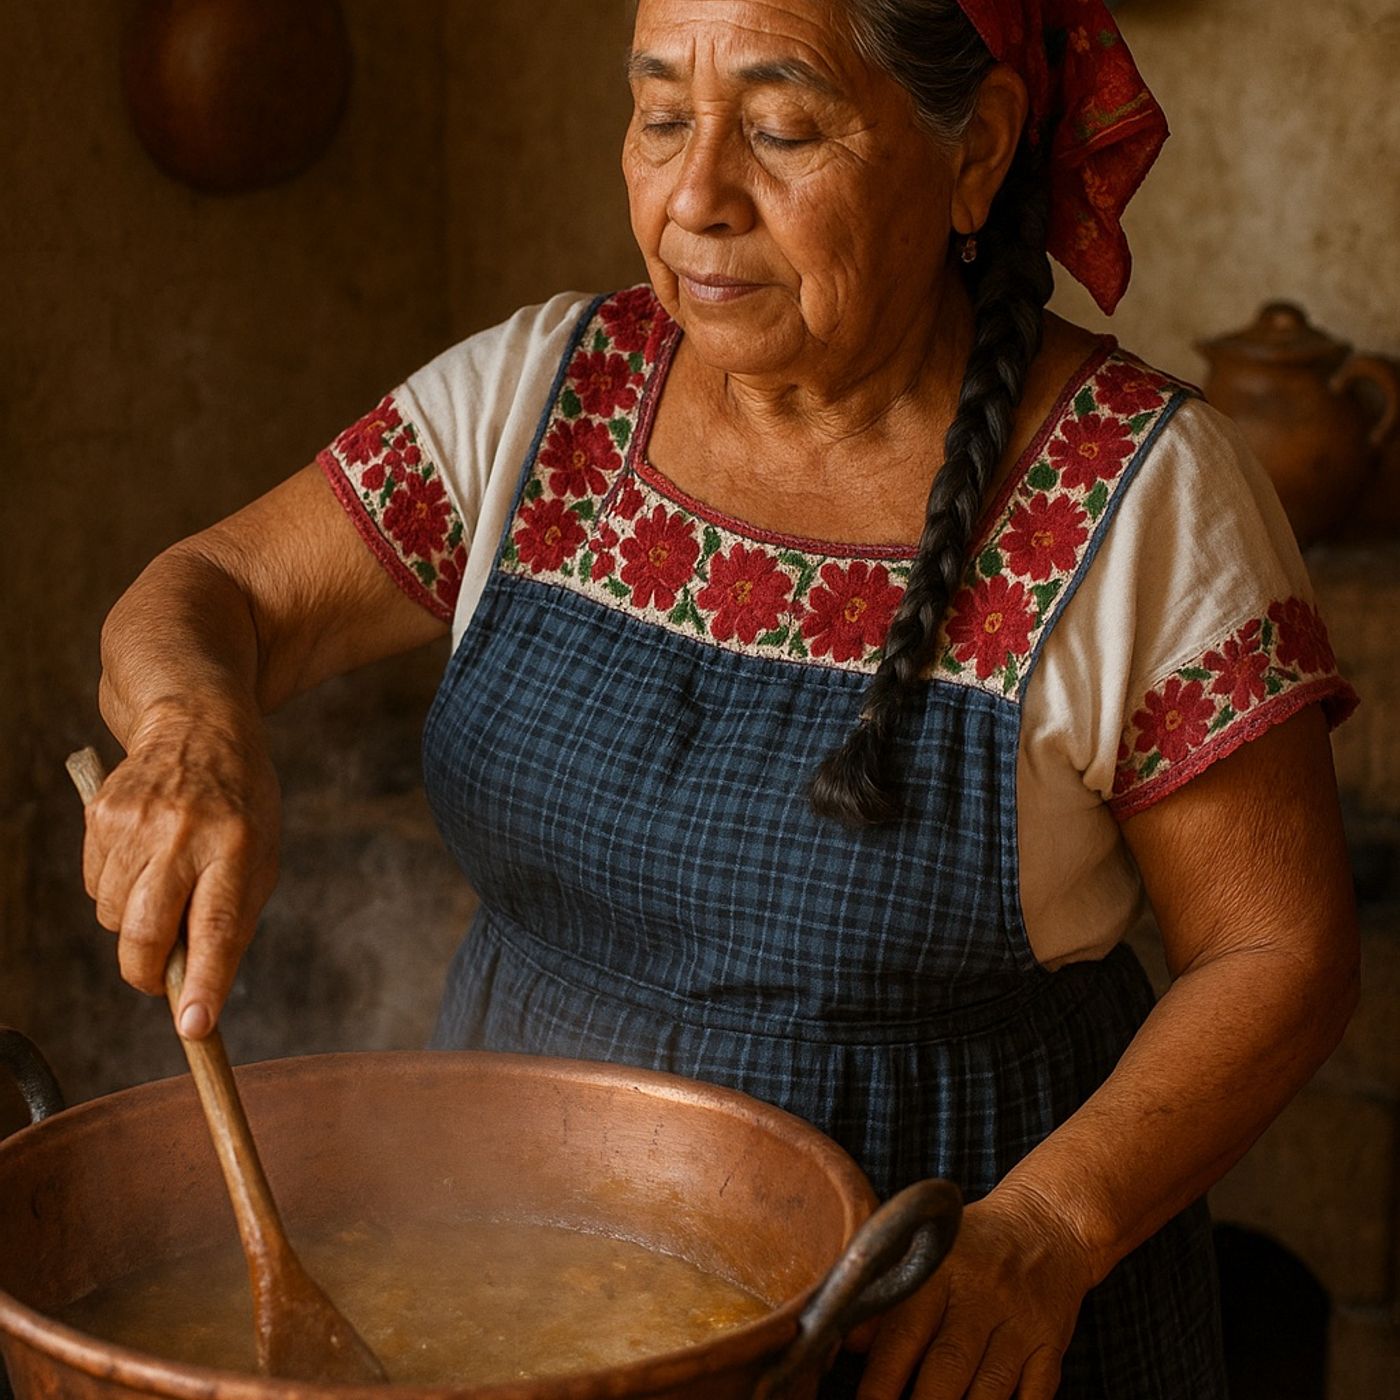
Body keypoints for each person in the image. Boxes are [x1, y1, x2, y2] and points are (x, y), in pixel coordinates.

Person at [81, 1, 1359, 1395]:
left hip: (943, 1312)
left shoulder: (1145, 493)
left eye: (781, 126)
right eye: (661, 118)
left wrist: (1054, 1226)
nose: (697, 197)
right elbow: (210, 591)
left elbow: (1278, 951)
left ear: (976, 149)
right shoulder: (543, 392)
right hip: (507, 1267)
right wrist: (192, 735)